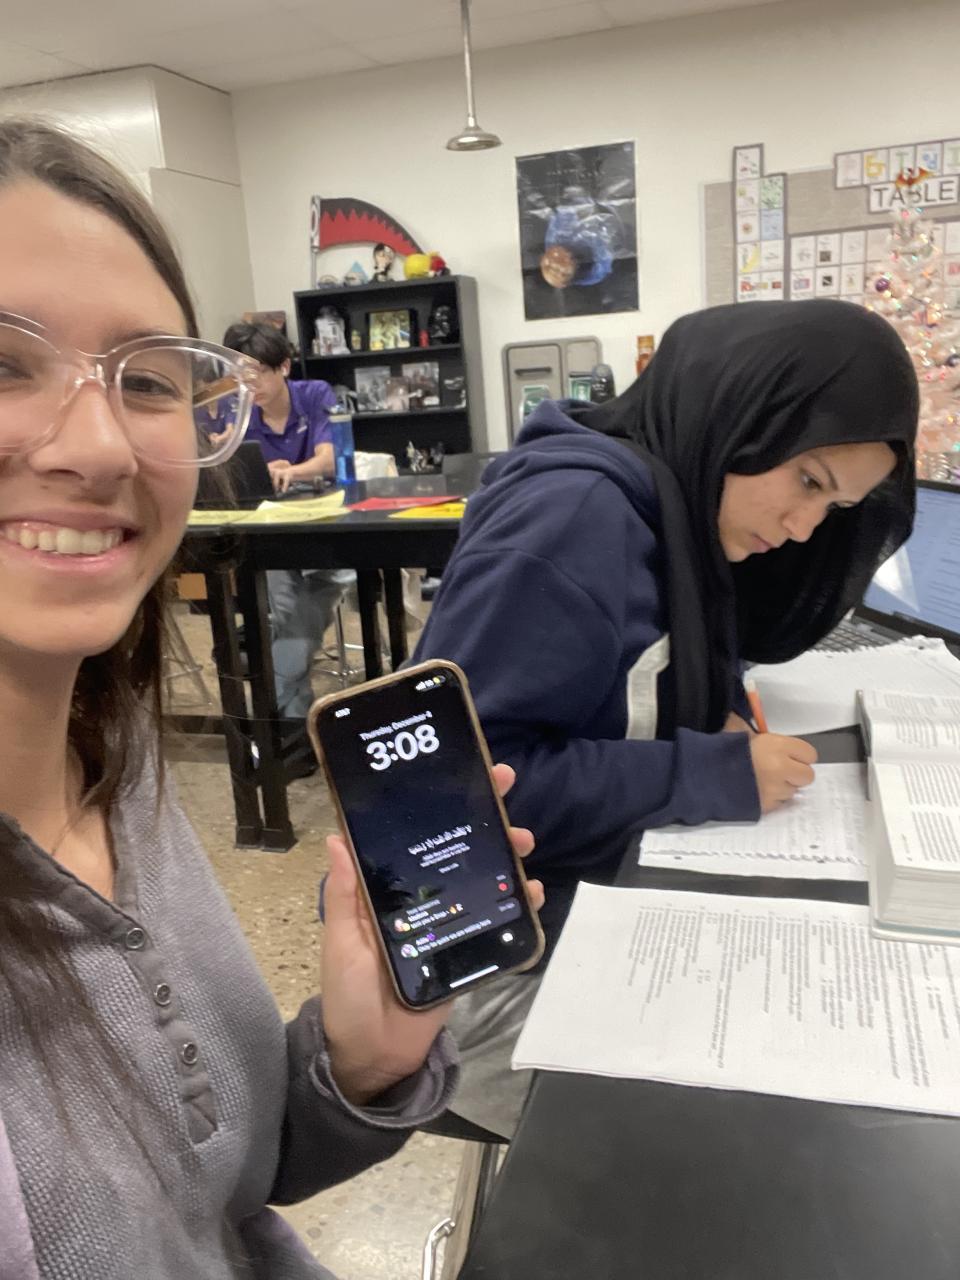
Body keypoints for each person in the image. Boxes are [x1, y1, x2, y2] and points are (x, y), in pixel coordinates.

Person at [0, 117, 541, 1278]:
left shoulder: (120, 765)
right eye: (4, 364)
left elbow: (221, 1187)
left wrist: (361, 1055)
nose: (101, 445)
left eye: (148, 379)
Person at [413, 299, 919, 1137]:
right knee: (776, 1109)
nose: (804, 529)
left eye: (833, 510)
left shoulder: (671, 503)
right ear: (743, 415)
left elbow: (645, 669)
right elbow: (451, 795)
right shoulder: (576, 516)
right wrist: (706, 771)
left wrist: (713, 711)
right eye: (808, 481)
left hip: (572, 899)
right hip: (470, 973)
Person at [221, 320, 350, 720]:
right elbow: (230, 467)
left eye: (260, 371)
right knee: (282, 608)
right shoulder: (240, 409)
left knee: (321, 586)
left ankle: (272, 701)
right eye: (243, 375)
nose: (251, 384)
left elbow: (330, 459)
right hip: (273, 528)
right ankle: (293, 719)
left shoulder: (315, 394)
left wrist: (290, 472)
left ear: (284, 367)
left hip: (326, 521)